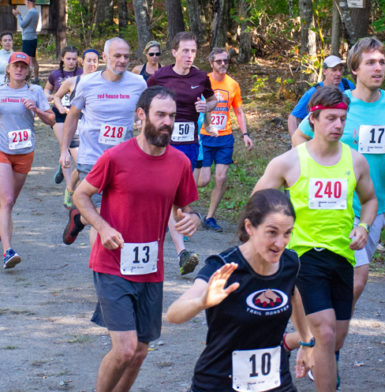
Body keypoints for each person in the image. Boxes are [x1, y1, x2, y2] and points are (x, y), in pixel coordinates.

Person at [73, 86, 200, 392]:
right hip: (112, 264)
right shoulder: (116, 157)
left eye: (172, 115)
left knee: (141, 351)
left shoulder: (180, 162)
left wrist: (192, 219)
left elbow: (186, 208)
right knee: (125, 348)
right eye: (160, 114)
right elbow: (81, 195)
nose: (167, 121)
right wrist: (102, 228)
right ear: (142, 115)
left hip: (150, 269)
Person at [255, 86, 377, 392]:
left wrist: (363, 226)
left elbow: (371, 200)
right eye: (331, 118)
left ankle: (293, 342)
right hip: (303, 255)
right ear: (314, 119)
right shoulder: (289, 162)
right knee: (323, 333)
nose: (338, 125)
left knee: (334, 338)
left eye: (342, 119)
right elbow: (257, 200)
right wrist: (274, 235)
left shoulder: (355, 161)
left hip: (342, 256)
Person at [292, 37, 385, 306]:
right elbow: (299, 137)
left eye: (382, 62)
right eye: (370, 63)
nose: (378, 68)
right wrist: (313, 171)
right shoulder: (338, 103)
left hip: (373, 204)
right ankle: (322, 333)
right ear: (355, 68)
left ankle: (319, 335)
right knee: (358, 275)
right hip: (334, 203)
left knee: (347, 284)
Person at [167, 188, 313, 392]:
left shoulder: (289, 263)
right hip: (219, 382)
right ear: (250, 227)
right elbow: (174, 314)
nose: (280, 243)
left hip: (274, 382)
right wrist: (202, 302)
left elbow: (293, 295)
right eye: (271, 232)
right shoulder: (224, 267)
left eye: (287, 233)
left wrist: (306, 342)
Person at [60, 37, 147, 246]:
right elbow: (73, 116)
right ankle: (100, 269)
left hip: (124, 160)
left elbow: (145, 114)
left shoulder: (138, 83)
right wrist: (64, 149)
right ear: (105, 57)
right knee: (102, 215)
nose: (122, 60)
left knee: (114, 213)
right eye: (117, 56)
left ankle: (79, 217)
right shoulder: (87, 83)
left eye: (126, 56)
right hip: (92, 158)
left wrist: (143, 130)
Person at [147, 31, 217, 273]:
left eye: (193, 51)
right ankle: (181, 251)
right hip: (164, 142)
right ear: (174, 52)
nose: (189, 55)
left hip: (189, 143)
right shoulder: (160, 76)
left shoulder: (201, 76)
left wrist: (205, 106)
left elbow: (213, 100)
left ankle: (174, 231)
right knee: (169, 194)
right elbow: (145, 102)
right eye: (185, 51)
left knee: (178, 196)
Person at [0, 52, 54, 268]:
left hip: (24, 151)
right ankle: (8, 252)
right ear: (8, 68)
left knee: (10, 200)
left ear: (28, 70)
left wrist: (37, 111)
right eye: (16, 66)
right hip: (2, 148)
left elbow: (51, 119)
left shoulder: (35, 92)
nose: (19, 70)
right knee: (7, 199)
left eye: (24, 66)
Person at [197, 48, 254, 232]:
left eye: (226, 61)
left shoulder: (233, 85)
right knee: (202, 181)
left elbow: (238, 111)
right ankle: (180, 206)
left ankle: (210, 217)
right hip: (204, 136)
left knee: (221, 177)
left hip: (225, 138)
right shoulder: (202, 81)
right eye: (219, 61)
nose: (223, 64)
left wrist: (245, 134)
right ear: (212, 63)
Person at [53, 48, 100, 207]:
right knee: (81, 162)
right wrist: (60, 107)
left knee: (88, 164)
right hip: (76, 127)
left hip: (94, 129)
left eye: (95, 61)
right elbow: (57, 97)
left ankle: (73, 188)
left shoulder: (103, 82)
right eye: (89, 60)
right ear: (83, 61)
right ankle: (72, 190)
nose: (92, 64)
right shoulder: (73, 81)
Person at [287, 55, 354, 140]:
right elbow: (293, 117)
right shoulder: (314, 92)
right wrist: (295, 142)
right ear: (324, 71)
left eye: (340, 70)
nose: (338, 74)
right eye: (334, 70)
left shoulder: (347, 85)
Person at [44, 46, 82, 192]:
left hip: (77, 115)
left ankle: (63, 164)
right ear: (62, 59)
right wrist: (50, 96)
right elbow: (47, 89)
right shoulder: (55, 74)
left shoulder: (82, 73)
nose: (71, 62)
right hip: (59, 116)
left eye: (74, 59)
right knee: (66, 148)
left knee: (76, 152)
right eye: (68, 59)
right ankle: (69, 189)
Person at [12, 0, 40, 82]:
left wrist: (18, 15)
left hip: (28, 38)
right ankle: (36, 78)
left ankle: (29, 79)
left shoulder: (31, 12)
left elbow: (23, 24)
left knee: (29, 60)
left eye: (25, 1)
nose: (25, 3)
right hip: (33, 37)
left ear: (28, 1)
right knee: (33, 59)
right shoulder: (35, 11)